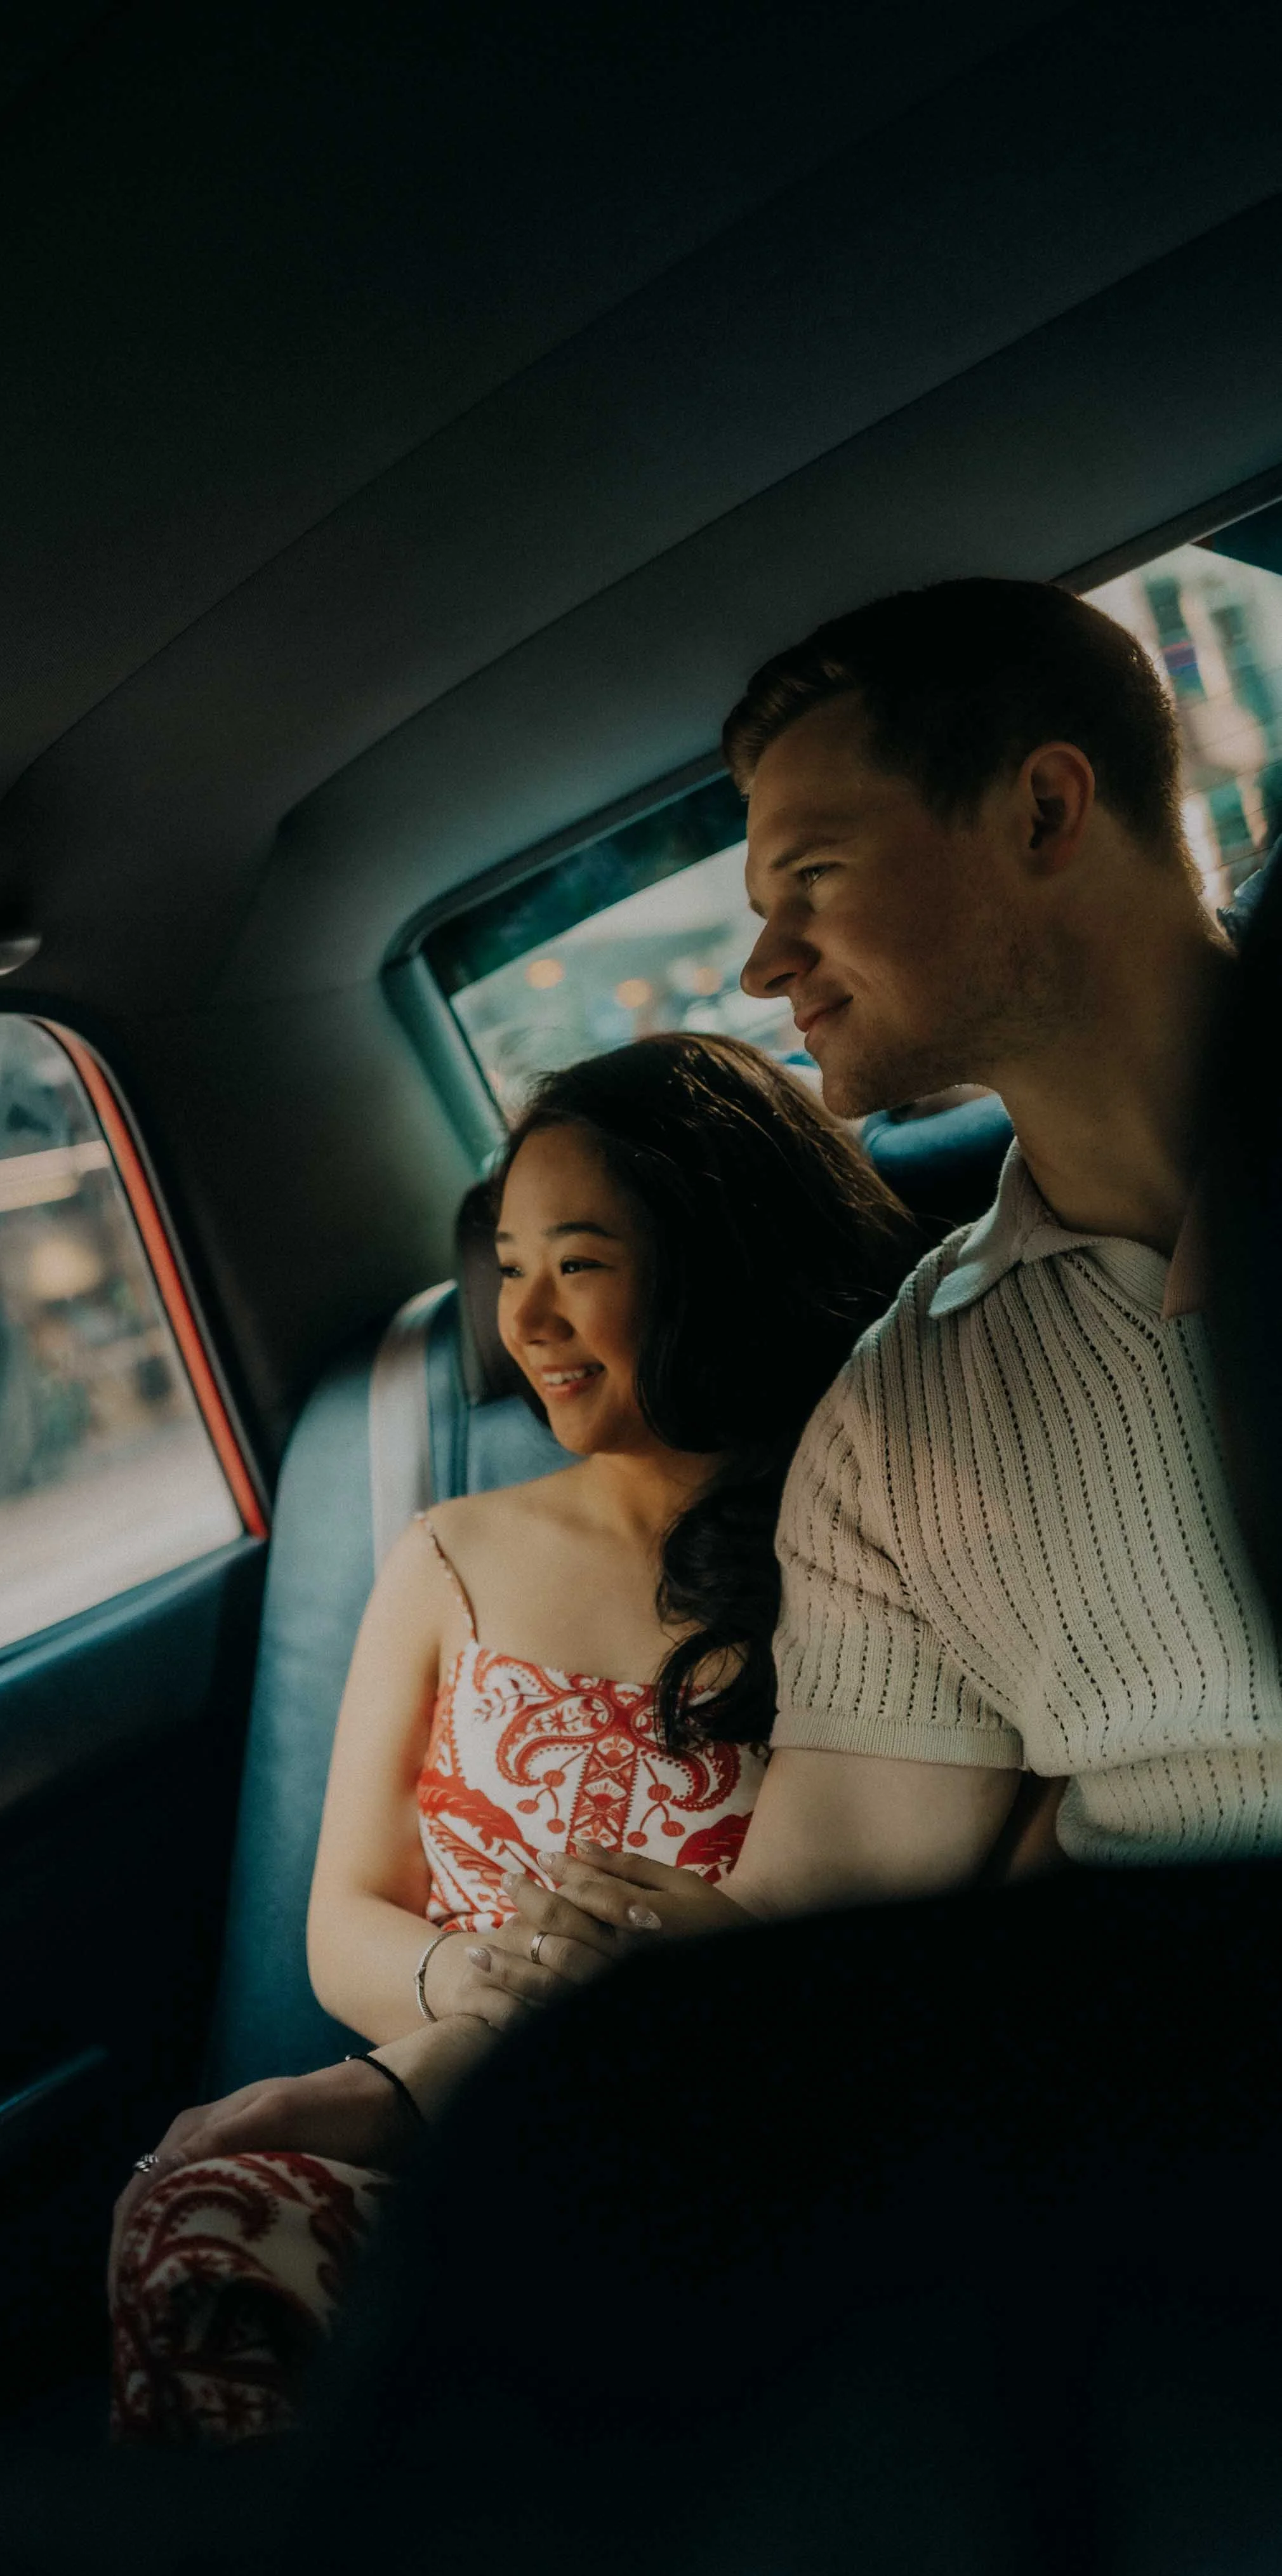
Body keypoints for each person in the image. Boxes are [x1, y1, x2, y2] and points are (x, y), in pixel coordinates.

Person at [110, 1033, 916, 2440]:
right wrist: (478, 1992)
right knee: (200, 2224)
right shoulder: (446, 1554)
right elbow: (343, 1921)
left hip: (741, 2156)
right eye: (509, 1259)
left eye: (583, 1261)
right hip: (455, 2125)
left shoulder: (857, 1548)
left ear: (707, 1259)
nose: (525, 1317)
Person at [512, 573, 1282, 1982]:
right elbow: (821, 1897)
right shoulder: (896, 1417)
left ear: (1043, 812)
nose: (762, 966)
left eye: (812, 878)